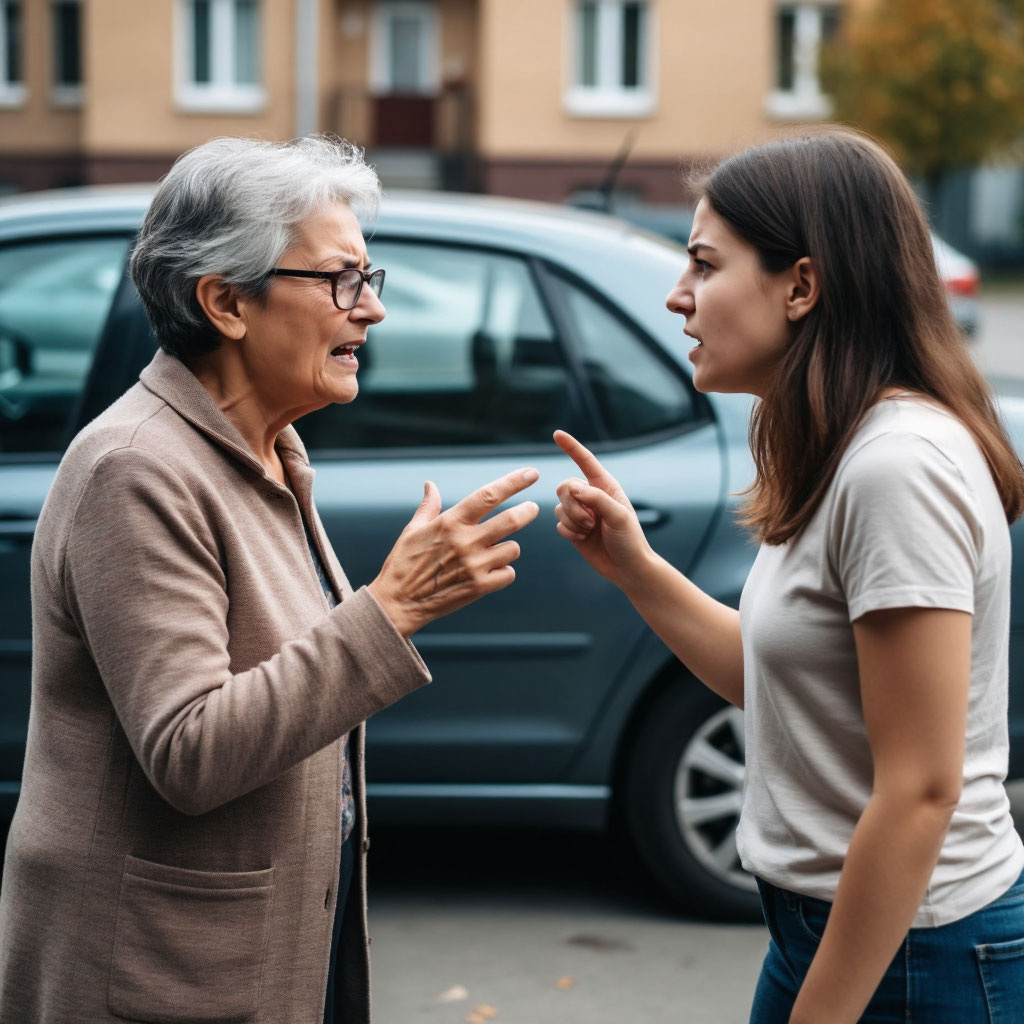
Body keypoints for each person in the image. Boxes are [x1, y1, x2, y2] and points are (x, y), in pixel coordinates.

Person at [0, 135, 539, 1024]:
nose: (368, 311)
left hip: (254, 952)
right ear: (225, 303)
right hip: (149, 971)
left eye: (370, 279)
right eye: (338, 280)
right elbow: (190, 751)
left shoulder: (269, 449)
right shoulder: (133, 468)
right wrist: (391, 607)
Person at [552, 128, 1024, 1023]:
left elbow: (923, 789)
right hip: (838, 933)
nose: (677, 295)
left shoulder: (899, 467)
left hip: (917, 957)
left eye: (703, 263)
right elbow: (778, 685)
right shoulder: (841, 447)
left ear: (801, 285)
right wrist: (636, 570)